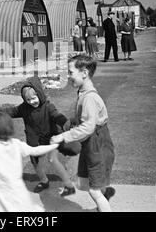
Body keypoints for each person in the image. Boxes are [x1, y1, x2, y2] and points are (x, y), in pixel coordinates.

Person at [51, 55, 116, 212]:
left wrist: (62, 136)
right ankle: (102, 206)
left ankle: (104, 207)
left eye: (71, 72)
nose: (69, 76)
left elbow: (88, 127)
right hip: (93, 145)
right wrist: (72, 121)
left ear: (84, 73)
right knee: (93, 184)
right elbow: (85, 117)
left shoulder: (90, 97)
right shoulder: (84, 92)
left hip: (98, 146)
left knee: (94, 189)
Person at [1, 76, 76, 197]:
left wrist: (65, 122)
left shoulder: (48, 106)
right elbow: (11, 111)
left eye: (34, 98)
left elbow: (57, 116)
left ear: (39, 94)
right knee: (36, 164)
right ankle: (44, 182)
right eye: (28, 100)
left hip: (51, 139)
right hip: (35, 142)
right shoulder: (24, 108)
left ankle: (69, 185)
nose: (32, 102)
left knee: (53, 160)